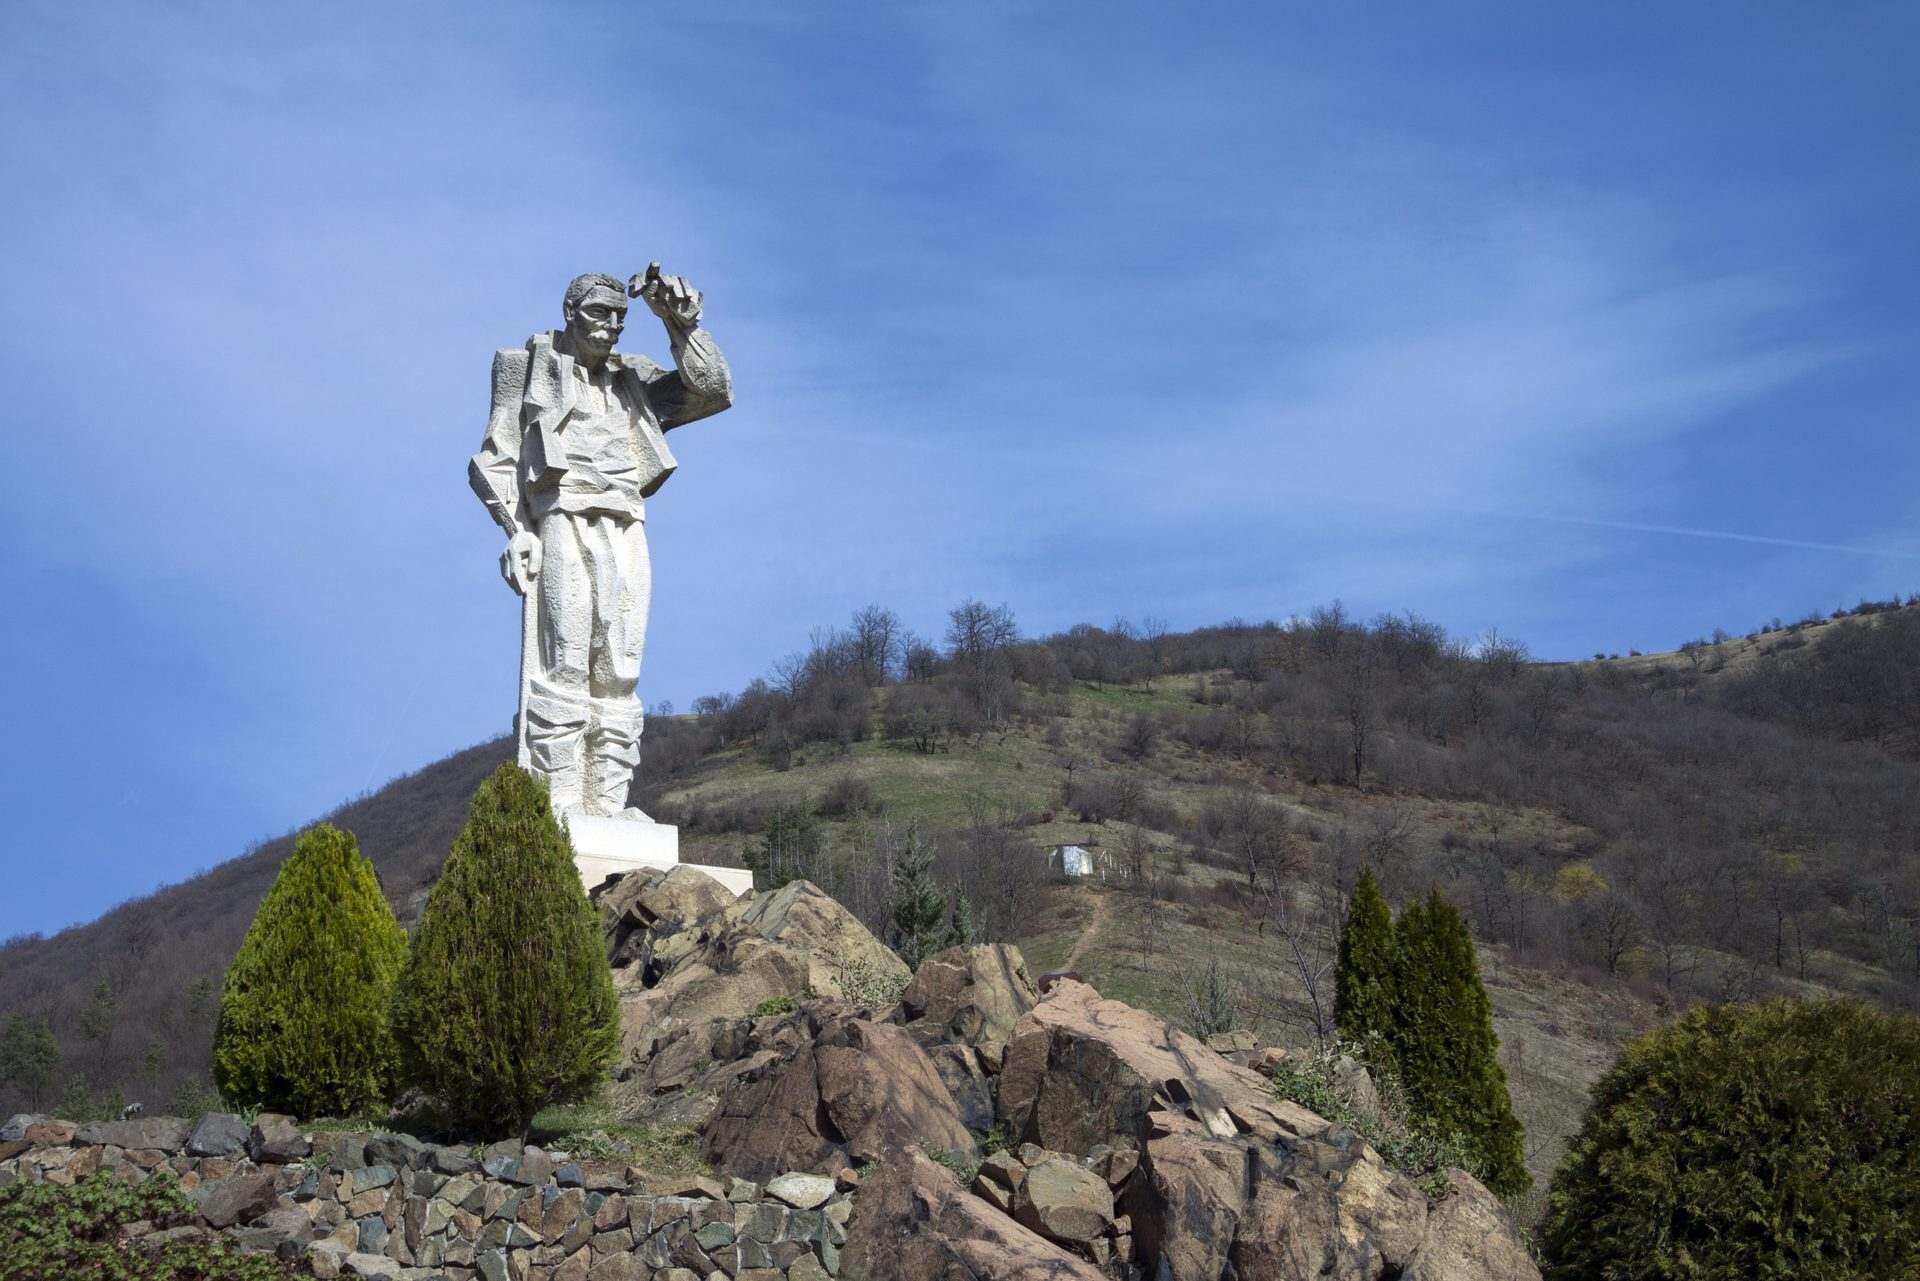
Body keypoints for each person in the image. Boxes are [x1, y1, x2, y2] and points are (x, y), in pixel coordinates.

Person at [468, 267, 732, 815]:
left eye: (619, 316)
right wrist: (517, 530)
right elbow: (496, 455)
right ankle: (560, 802)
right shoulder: (525, 367)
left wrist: (680, 325)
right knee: (566, 661)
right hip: (560, 515)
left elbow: (710, 391)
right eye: (598, 312)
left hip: (626, 519)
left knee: (620, 668)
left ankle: (607, 805)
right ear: (571, 312)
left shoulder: (632, 379)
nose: (611, 325)